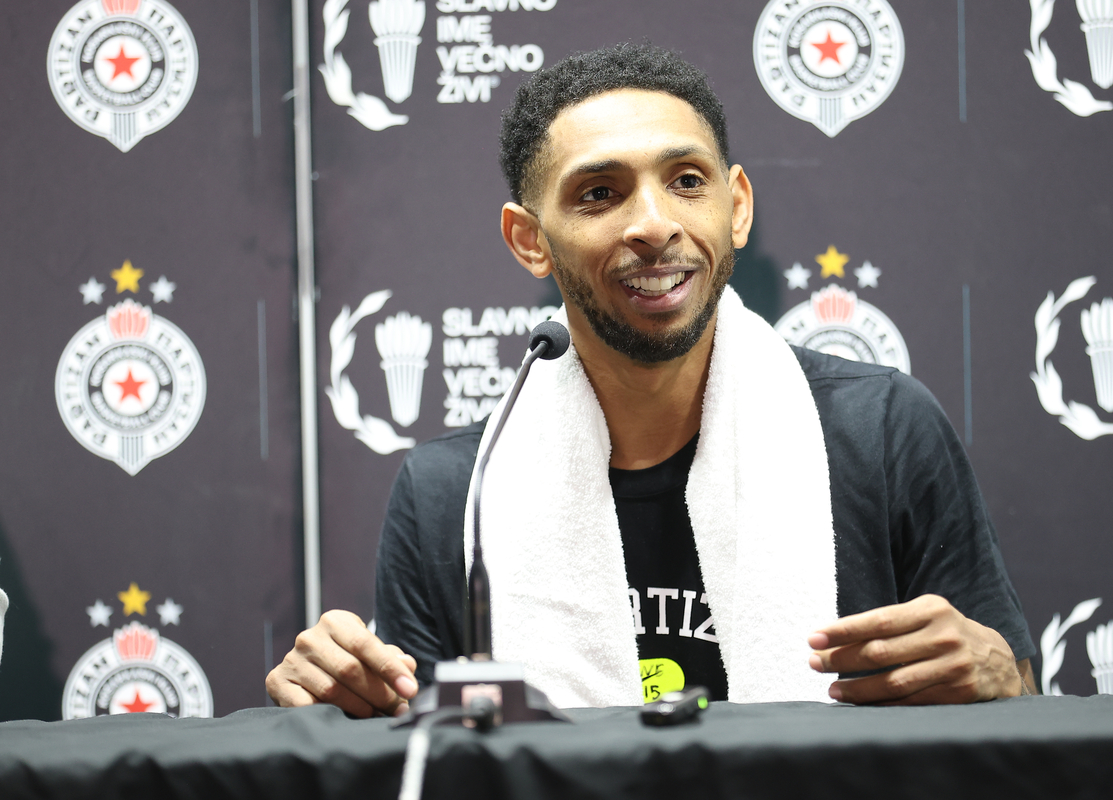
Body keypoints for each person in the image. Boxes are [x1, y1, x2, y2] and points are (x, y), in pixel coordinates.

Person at [267, 44, 1036, 718]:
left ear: (735, 208)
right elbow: (418, 754)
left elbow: (1018, 709)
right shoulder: (452, 491)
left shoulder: (883, 428)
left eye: (686, 181)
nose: (654, 223)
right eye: (599, 193)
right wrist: (341, 704)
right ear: (529, 240)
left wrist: (1002, 678)